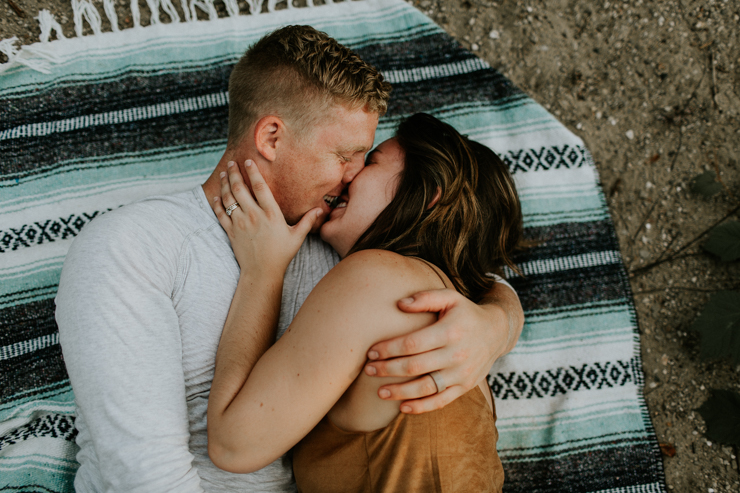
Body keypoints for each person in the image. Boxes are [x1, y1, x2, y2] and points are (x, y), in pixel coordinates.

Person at [55, 26, 523, 492]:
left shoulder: (345, 252)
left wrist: (494, 326)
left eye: (366, 159)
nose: (354, 175)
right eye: (346, 155)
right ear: (272, 138)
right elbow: (145, 479)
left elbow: (466, 279)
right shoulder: (135, 246)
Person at [207, 113, 522, 492]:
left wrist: (262, 272)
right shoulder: (465, 335)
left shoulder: (380, 277)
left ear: (429, 195)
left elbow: (233, 445)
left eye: (372, 162)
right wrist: (504, 319)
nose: (348, 175)